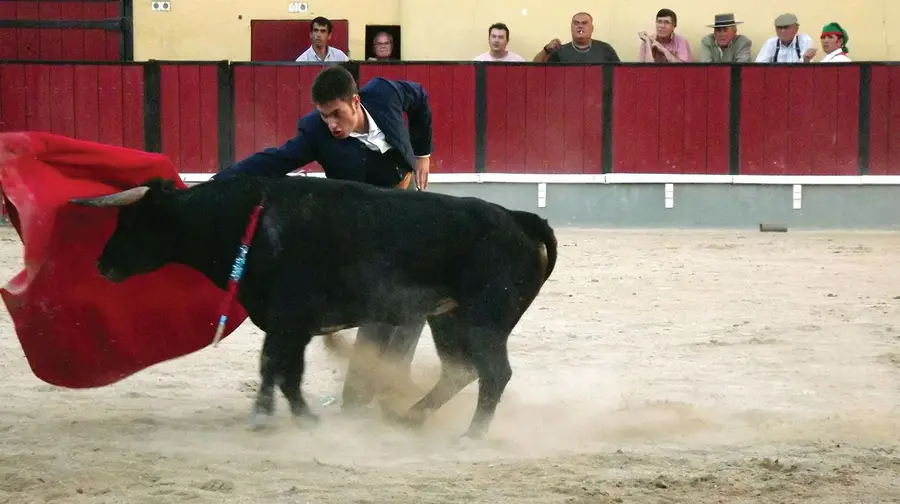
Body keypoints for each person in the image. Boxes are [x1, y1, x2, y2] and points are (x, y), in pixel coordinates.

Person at [213, 64, 432, 411]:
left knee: (422, 297)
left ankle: (394, 379)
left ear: (356, 102)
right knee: (381, 303)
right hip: (366, 228)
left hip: (412, 210)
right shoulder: (315, 132)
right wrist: (219, 182)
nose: (332, 124)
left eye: (337, 114)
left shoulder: (386, 94)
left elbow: (420, 99)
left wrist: (423, 152)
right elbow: (274, 160)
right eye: (324, 115)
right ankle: (356, 402)